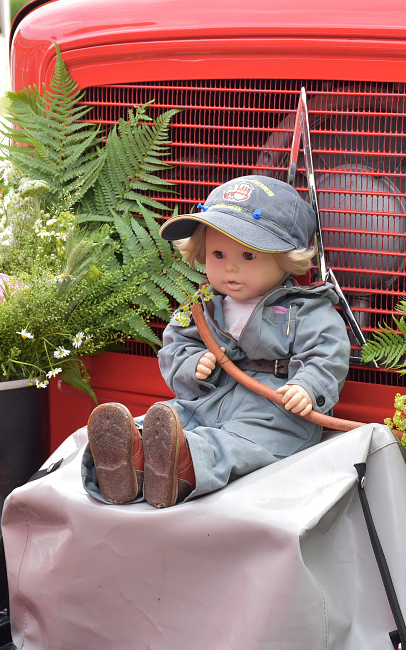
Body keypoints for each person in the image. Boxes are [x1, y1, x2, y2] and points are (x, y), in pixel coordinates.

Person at [86, 175, 350, 508]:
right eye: (218, 254)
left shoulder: (304, 308)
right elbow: (175, 346)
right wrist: (192, 365)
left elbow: (328, 352)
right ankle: (127, 457)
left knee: (238, 445)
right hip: (208, 401)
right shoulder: (201, 304)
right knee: (169, 417)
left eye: (249, 256)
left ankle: (180, 466)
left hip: (273, 412)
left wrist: (308, 387)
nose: (231, 268)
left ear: (286, 258)